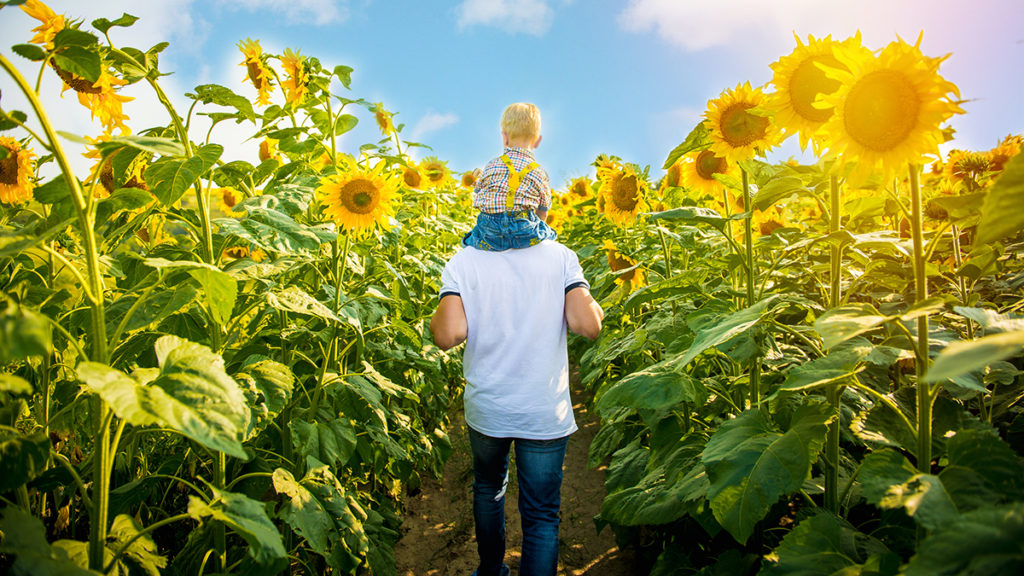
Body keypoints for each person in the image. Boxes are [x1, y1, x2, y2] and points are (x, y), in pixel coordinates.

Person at [430, 239, 604, 576]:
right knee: (541, 514)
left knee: (489, 487)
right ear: (538, 202)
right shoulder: (560, 258)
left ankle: (492, 570)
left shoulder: (464, 262)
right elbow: (588, 325)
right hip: (543, 408)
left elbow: (448, 334)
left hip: (489, 407)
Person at [462, 103, 558, 251]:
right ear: (537, 140)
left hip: (490, 230)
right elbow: (543, 211)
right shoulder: (540, 172)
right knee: (550, 234)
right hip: (524, 230)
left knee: (468, 240)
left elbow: (478, 193)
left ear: (505, 137)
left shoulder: (492, 164)